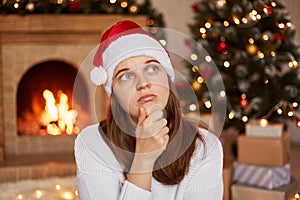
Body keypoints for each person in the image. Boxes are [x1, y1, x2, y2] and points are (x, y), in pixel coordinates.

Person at [74, 20, 223, 199]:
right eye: (126, 76)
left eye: (152, 68)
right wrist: (143, 160)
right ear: (113, 94)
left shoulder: (204, 147)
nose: (143, 83)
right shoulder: (92, 143)